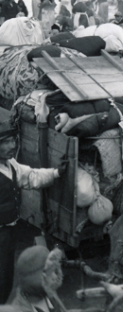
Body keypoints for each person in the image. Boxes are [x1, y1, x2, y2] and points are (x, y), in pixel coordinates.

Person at [0, 126, 66, 303]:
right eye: (6, 142)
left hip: (9, 232)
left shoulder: (11, 165)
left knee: (5, 275)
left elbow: (31, 176)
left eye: (13, 141)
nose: (12, 145)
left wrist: (56, 173)